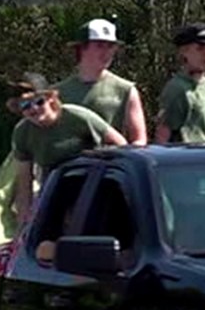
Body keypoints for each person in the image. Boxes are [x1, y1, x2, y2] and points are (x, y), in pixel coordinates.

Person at [9, 81, 128, 224]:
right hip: (54, 187)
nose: (34, 108)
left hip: (94, 182)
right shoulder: (22, 133)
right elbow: (24, 180)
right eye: (25, 105)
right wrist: (23, 221)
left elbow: (121, 145)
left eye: (39, 102)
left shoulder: (77, 116)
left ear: (50, 99)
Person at [58, 18, 147, 144]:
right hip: (72, 162)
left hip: (112, 161)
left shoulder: (125, 90)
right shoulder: (59, 92)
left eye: (110, 46)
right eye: (99, 46)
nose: (107, 52)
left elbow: (139, 140)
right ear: (82, 48)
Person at [155, 23, 205, 145]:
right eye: (200, 48)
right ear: (184, 52)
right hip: (190, 159)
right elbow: (163, 134)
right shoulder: (177, 88)